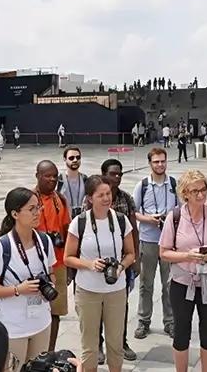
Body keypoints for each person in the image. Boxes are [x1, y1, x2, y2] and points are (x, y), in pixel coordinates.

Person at [158, 170, 207, 372]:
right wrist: (187, 256)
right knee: (181, 332)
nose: (201, 194)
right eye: (195, 191)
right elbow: (163, 252)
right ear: (185, 193)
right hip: (183, 282)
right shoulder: (174, 217)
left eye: (203, 189)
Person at [64, 175, 136, 372]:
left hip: (116, 291)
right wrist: (90, 264)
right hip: (88, 291)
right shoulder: (80, 222)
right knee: (90, 346)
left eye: (108, 193)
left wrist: (121, 266)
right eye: (100, 195)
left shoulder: (120, 220)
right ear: (90, 198)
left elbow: (131, 254)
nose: (106, 198)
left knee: (115, 343)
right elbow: (68, 258)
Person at [0, 187, 57, 365]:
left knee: (39, 368)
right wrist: (18, 289)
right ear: (15, 214)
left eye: (38, 207)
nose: (37, 212)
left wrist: (50, 285)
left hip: (42, 322)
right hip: (13, 327)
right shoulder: (1, 247)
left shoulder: (44, 241)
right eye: (31, 209)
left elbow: (51, 273)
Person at [97, 159, 140, 362]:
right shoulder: (93, 197)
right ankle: (98, 344)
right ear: (103, 174)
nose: (117, 177)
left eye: (120, 174)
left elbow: (133, 230)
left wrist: (135, 258)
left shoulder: (126, 198)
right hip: (98, 260)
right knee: (97, 305)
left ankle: (121, 342)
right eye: (113, 174)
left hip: (122, 261)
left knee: (121, 304)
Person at [133, 147, 177, 340]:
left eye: (162, 161)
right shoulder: (142, 185)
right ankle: (144, 321)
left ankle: (170, 322)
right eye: (156, 161)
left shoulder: (174, 184)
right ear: (150, 163)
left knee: (170, 284)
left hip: (169, 241)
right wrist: (148, 219)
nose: (160, 165)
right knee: (146, 284)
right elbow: (134, 212)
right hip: (148, 239)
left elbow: (181, 210)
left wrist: (170, 219)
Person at [34, 160, 72, 351]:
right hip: (34, 264)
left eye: (55, 176)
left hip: (57, 263)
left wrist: (69, 265)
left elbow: (67, 230)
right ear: (37, 176)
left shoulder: (60, 199)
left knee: (55, 311)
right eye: (47, 176)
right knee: (34, 311)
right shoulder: (30, 200)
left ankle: (50, 352)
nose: (52, 180)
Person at [59, 146, 87, 218]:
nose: (75, 160)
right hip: (65, 219)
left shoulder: (85, 179)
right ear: (64, 159)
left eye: (78, 157)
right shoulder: (59, 180)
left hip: (82, 218)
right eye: (71, 158)